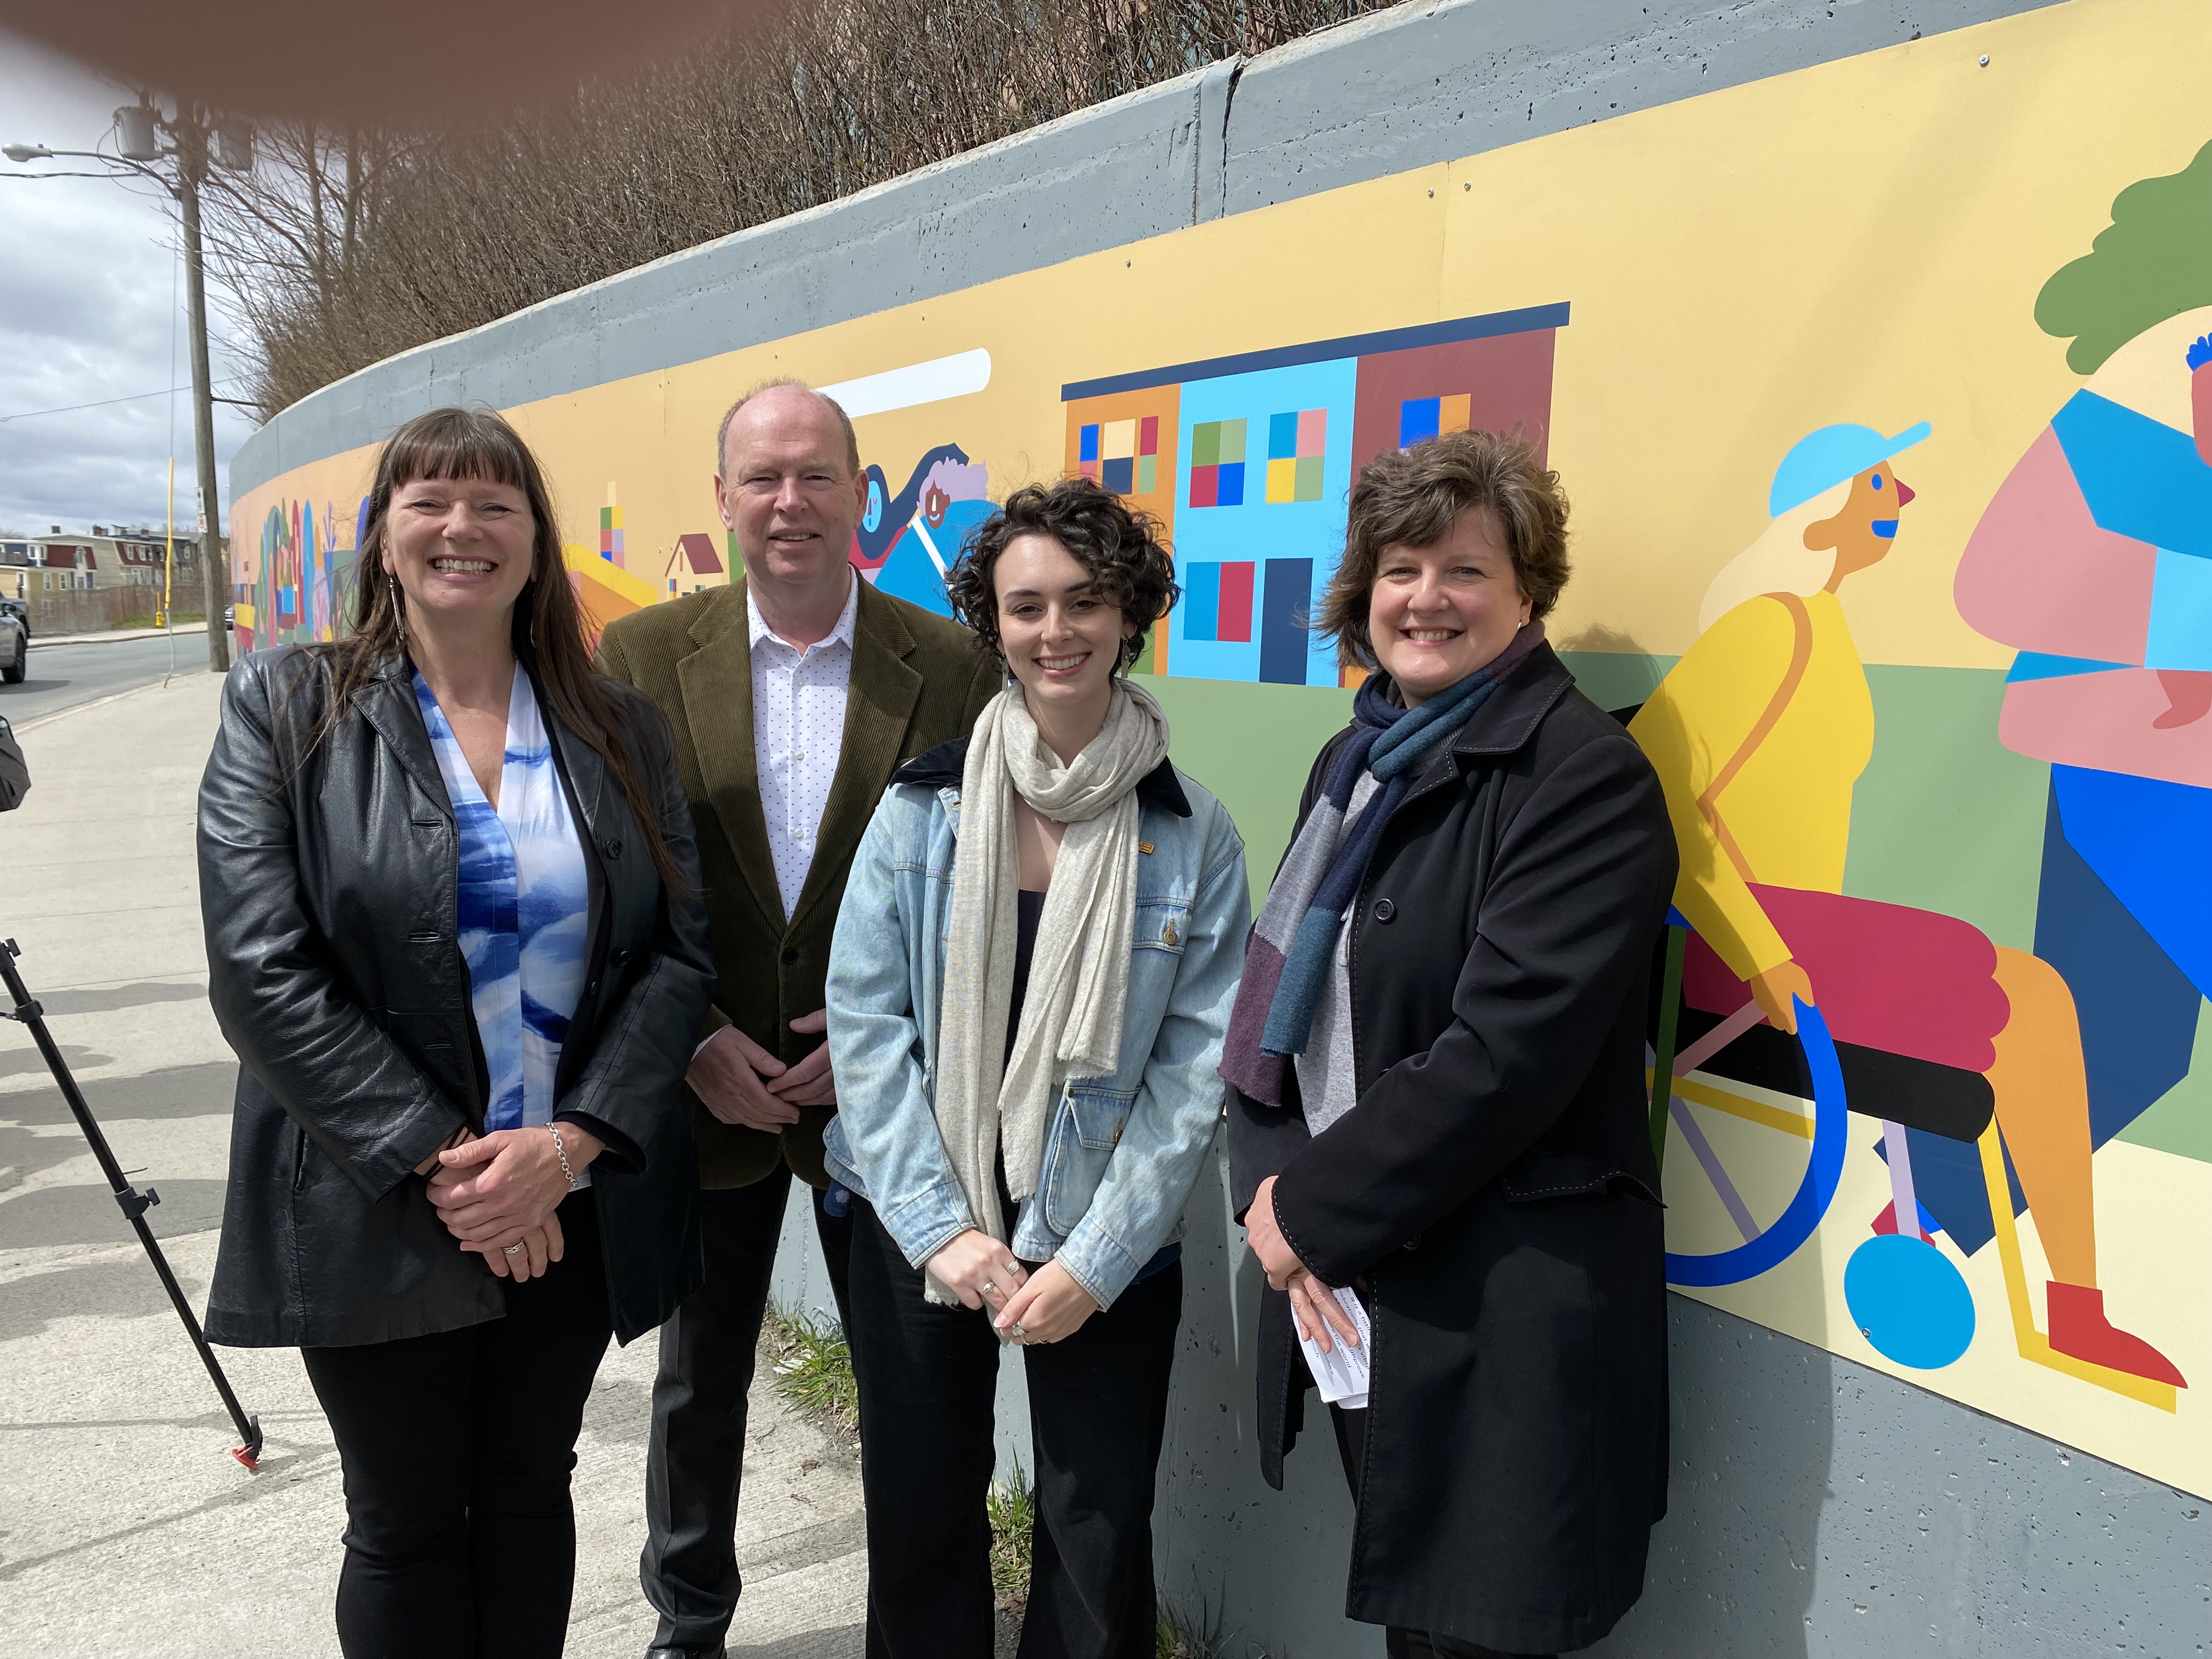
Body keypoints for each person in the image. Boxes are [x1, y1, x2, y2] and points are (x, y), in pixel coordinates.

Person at [197, 407, 717, 1659]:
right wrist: (454, 1162)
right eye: (428, 500)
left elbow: (675, 957)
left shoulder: (619, 727)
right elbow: (260, 970)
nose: (461, 528)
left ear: (535, 543)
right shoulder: (288, 705)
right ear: (382, 537)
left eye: (495, 503)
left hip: (568, 1207)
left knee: (532, 1491)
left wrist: (570, 1146)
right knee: (404, 1519)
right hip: (373, 1199)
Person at [1224, 430, 1678, 1658]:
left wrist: (1302, 1211)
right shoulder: (1357, 759)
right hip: (1354, 1287)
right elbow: (1280, 1014)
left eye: (1466, 570)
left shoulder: (1582, 778)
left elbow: (1505, 1055)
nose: (1427, 598)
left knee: (1478, 1636)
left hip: (1496, 1308)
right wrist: (1272, 1200)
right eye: (1401, 568)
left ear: (1530, 589)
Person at [596, 379, 998, 1659]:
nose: (789, 501)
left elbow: (985, 879)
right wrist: (696, 1035)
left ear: (856, 493)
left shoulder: (949, 665)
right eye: (762, 477)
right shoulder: (642, 658)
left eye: (816, 474)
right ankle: (689, 1623)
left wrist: (892, 1037)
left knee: (918, 1391)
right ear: (721, 497)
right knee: (697, 1381)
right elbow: (615, 876)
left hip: (885, 1097)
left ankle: (928, 1638)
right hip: (704, 1083)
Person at [824, 477, 1248, 1658]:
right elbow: (864, 1022)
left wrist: (1098, 1261)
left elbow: (1193, 1068)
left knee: (1095, 1523)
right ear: (992, 624)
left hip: (1103, 1233)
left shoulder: (1194, 832)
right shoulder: (921, 809)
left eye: (1084, 601)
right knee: (920, 1510)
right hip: (922, 1217)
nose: (1055, 630)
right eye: (1026, 607)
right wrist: (937, 1227)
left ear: (1131, 615)